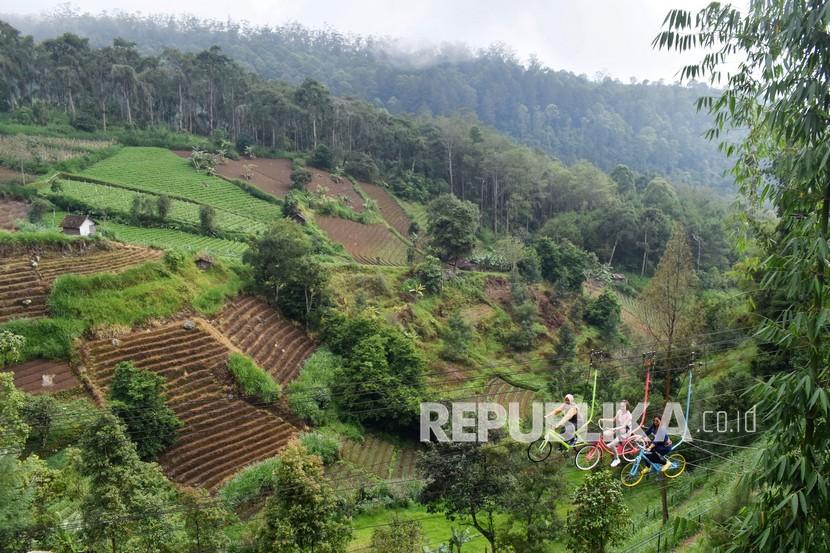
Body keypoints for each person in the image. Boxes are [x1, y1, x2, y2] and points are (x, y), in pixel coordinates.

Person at [600, 400, 633, 467]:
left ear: (627, 407)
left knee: (612, 445)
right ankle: (614, 446)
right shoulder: (619, 412)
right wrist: (604, 419)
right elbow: (613, 419)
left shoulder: (629, 415)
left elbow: (624, 426)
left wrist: (614, 429)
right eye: (620, 406)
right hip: (619, 429)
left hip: (625, 432)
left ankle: (617, 459)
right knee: (605, 434)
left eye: (623, 406)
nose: (621, 407)